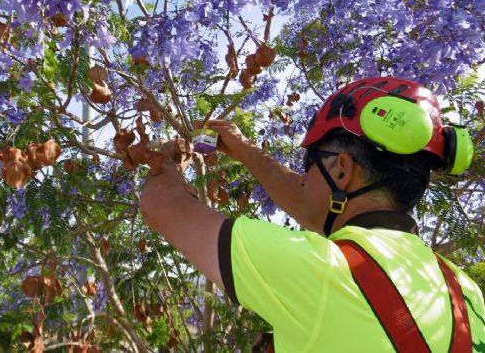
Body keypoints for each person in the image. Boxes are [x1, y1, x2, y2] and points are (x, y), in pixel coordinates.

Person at [139, 77, 485, 352]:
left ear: (340, 170)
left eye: (309, 166)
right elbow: (313, 205)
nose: (304, 181)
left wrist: (166, 160)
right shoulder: (464, 290)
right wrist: (244, 151)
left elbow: (161, 206)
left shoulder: (317, 272)